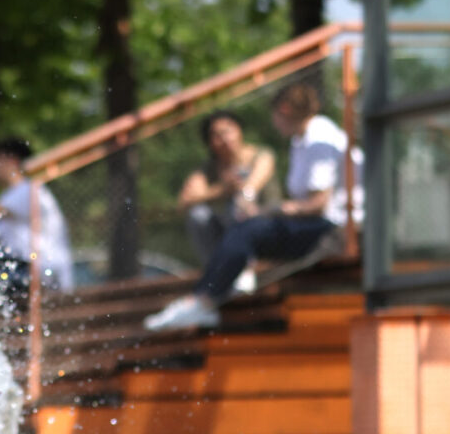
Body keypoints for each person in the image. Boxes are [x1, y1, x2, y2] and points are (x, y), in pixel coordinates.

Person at [146, 83, 360, 331]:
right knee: (231, 223)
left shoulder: (317, 139)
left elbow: (318, 205)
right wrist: (226, 191)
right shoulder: (303, 139)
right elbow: (185, 201)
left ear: (284, 109)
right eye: (217, 135)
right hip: (317, 222)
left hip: (333, 230)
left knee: (247, 228)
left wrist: (273, 208)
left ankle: (202, 300)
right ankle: (207, 294)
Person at [177, 111, 280, 265]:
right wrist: (222, 190)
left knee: (238, 204)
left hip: (265, 224)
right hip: (227, 234)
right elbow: (184, 201)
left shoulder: (261, 155)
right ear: (210, 142)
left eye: (228, 131)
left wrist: (241, 193)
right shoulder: (208, 169)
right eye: (217, 135)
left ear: (239, 130)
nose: (224, 139)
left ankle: (245, 266)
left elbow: (253, 184)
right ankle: (217, 269)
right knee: (198, 215)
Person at [0, 139, 75, 292]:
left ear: (12, 161)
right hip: (25, 268)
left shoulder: (29, 190)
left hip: (43, 270)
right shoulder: (10, 196)